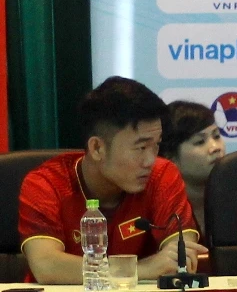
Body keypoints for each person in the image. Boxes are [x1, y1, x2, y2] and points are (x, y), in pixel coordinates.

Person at [18, 76, 208, 284]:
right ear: (97, 148)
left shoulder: (162, 174)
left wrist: (173, 261)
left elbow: (182, 256)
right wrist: (140, 269)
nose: (150, 160)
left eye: (156, 145)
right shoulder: (45, 184)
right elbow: (46, 266)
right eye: (141, 147)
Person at [159, 100, 226, 239]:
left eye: (216, 136)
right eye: (200, 142)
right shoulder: (158, 205)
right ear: (170, 157)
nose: (215, 147)